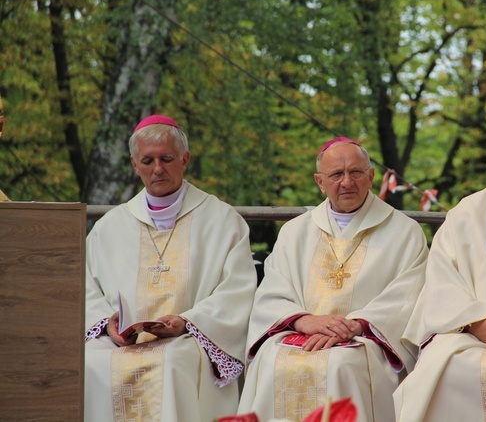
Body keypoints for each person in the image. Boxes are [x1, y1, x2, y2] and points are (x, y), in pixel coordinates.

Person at [237, 137, 429, 422]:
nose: (347, 182)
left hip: (365, 340)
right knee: (271, 359)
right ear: (320, 182)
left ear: (371, 176)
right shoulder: (295, 232)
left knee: (341, 363)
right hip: (299, 331)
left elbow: (408, 296)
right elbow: (272, 292)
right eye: (336, 174)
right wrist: (303, 320)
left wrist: (356, 325)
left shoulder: (405, 232)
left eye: (356, 172)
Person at [85, 115, 257, 421]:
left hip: (187, 339)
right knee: (92, 361)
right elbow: (84, 288)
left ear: (185, 159)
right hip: (119, 343)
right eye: (147, 160)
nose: (158, 169)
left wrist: (188, 322)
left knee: (174, 362)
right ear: (134, 164)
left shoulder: (222, 220)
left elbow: (237, 291)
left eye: (166, 158)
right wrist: (107, 324)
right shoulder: (109, 227)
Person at [393, 112, 486, 422]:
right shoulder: (467, 211)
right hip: (468, 333)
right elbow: (442, 279)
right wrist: (476, 321)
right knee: (448, 370)